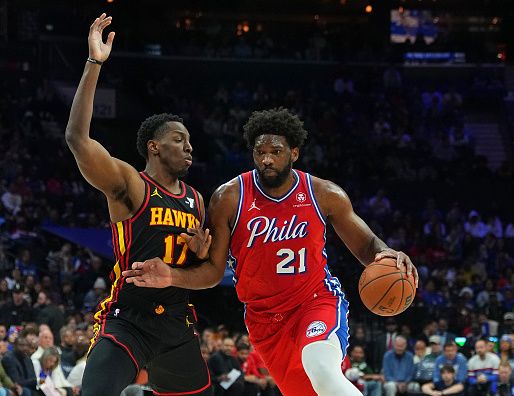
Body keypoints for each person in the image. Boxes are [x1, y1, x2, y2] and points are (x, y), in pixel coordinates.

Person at [124, 107, 419, 395]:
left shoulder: (323, 194)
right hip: (264, 321)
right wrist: (174, 275)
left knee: (323, 372)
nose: (266, 159)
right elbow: (213, 273)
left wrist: (387, 254)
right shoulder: (229, 198)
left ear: (294, 153)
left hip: (314, 301)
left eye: (275, 152)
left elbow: (367, 246)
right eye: (259, 152)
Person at [65, 13, 211, 396]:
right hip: (128, 317)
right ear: (154, 146)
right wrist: (94, 63)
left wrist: (197, 253)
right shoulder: (131, 184)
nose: (189, 147)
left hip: (176, 322)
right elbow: (78, 140)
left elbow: (202, 271)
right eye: (179, 139)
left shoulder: (196, 199)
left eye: (190, 141)